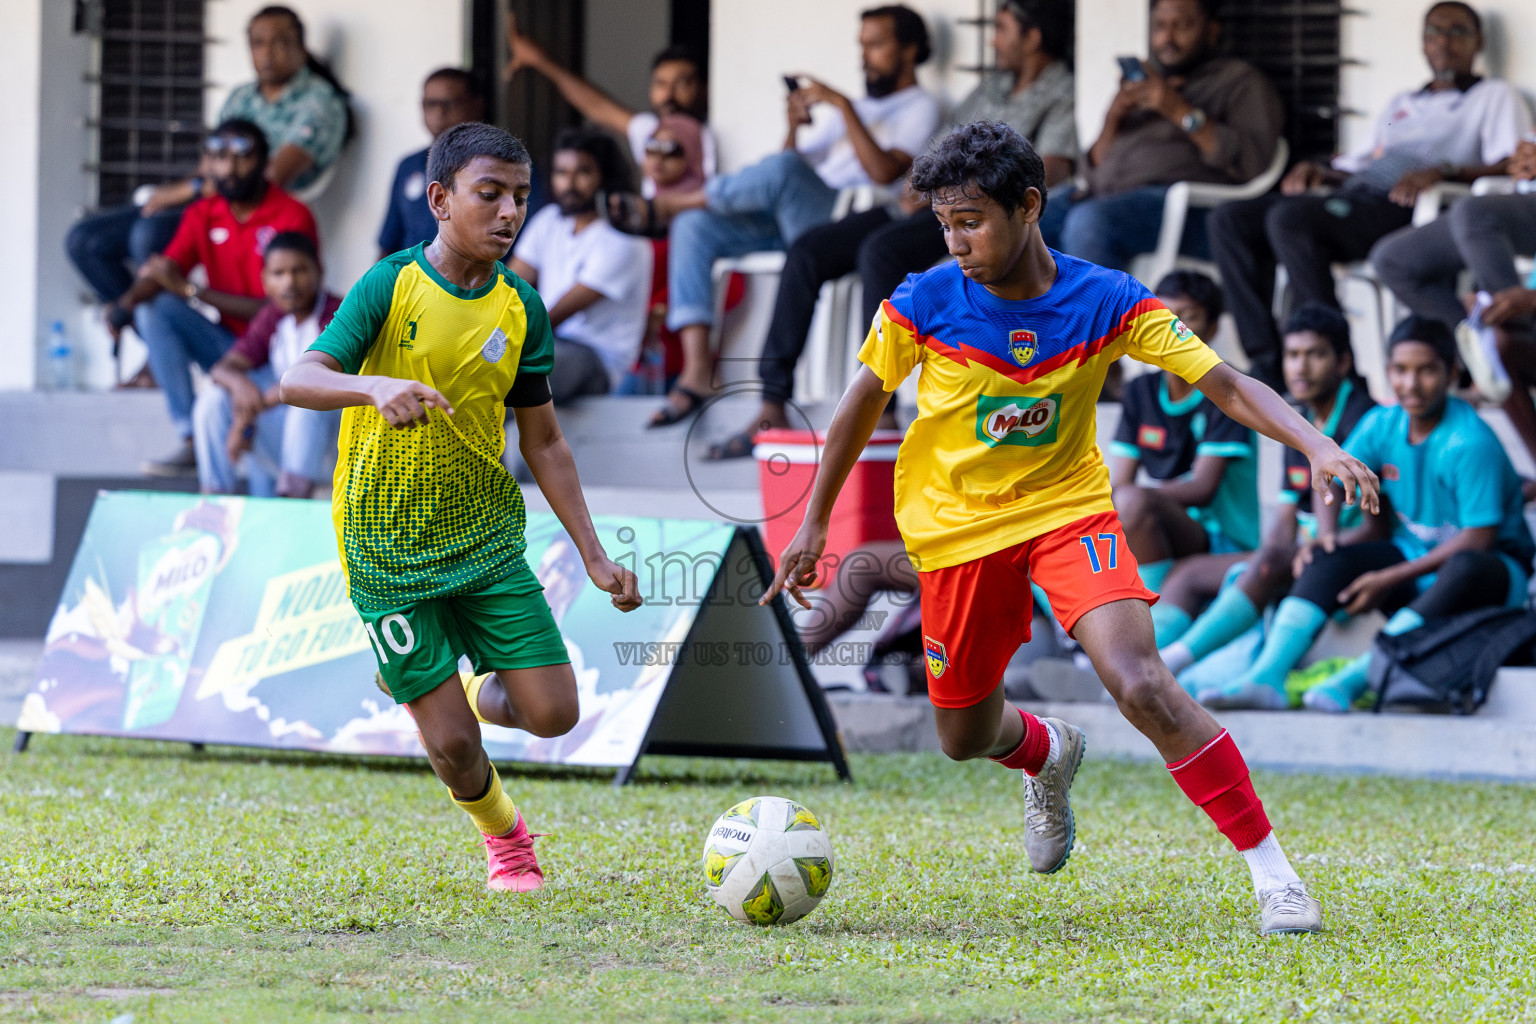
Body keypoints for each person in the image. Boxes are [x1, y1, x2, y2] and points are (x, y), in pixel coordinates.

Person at [762, 121, 1380, 935]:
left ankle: (1275, 874)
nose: (955, 242)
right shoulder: (922, 300)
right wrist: (811, 525)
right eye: (944, 224)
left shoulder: (1109, 298)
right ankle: (1044, 753)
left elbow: (1222, 382)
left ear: (1030, 206)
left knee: (1141, 682)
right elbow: (857, 406)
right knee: (963, 734)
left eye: (971, 221)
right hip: (955, 535)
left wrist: (1316, 441)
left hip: (1067, 514)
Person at [279, 122, 642, 893]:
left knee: (553, 715)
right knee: (451, 747)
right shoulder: (392, 283)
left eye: (520, 197)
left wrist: (594, 554)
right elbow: (298, 380)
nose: (509, 213)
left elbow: (544, 442)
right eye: (491, 195)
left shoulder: (523, 308)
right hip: (384, 547)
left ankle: (464, 680)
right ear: (440, 199)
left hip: (483, 540)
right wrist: (371, 386)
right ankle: (509, 843)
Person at [705, 0, 1079, 460]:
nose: (993, 40)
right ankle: (771, 401)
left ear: (1033, 37)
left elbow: (1055, 167)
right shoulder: (992, 88)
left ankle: (879, 405)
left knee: (880, 253)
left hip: (979, 211)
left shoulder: (1063, 90)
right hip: (928, 202)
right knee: (807, 250)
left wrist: (969, 179)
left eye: (1001, 30)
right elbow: (942, 144)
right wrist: (923, 181)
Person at [623, 4, 942, 427]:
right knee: (694, 226)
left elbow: (886, 172)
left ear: (909, 49)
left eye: (876, 44)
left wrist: (845, 108)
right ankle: (697, 370)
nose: (864, 56)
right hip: (795, 219)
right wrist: (794, 126)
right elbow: (784, 169)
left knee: (778, 173)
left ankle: (672, 202)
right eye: (861, 45)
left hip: (847, 216)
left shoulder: (921, 106)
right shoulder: (854, 108)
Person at [1199, 316, 1534, 713]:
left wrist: (1389, 577)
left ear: (1452, 373)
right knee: (1326, 554)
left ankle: (1356, 679)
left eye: (1426, 370)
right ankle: (1266, 677)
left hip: (1490, 577)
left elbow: (1479, 539)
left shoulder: (1469, 441)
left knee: (1466, 565)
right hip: (1412, 560)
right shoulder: (1382, 424)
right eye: (1400, 370)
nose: (1410, 384)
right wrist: (1324, 536)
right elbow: (1335, 477)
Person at [1209, 1, 1530, 390]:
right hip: (1355, 195)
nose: (1443, 41)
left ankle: (1333, 361)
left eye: (1457, 31)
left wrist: (1445, 171)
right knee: (1229, 219)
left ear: (1478, 42)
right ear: (1422, 44)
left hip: (1406, 206)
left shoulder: (1492, 95)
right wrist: (1321, 169)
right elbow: (1359, 161)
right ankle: (1267, 362)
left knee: (1289, 221)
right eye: (1433, 32)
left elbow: (1512, 164)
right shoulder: (1403, 103)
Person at [67, 4, 348, 352]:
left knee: (147, 235)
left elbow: (269, 174)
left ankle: (156, 357)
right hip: (210, 206)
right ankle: (152, 343)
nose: (267, 52)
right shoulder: (242, 96)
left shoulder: (320, 102)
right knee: (85, 240)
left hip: (258, 208)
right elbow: (209, 164)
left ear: (301, 48)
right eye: (257, 43)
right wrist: (174, 191)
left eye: (279, 42)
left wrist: (190, 190)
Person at [1159, 304, 1376, 676]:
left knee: (1269, 563)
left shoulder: (1366, 419)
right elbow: (1286, 513)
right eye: (1293, 355)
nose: (1300, 367)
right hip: (1304, 550)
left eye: (1315, 354)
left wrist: (1300, 549)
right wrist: (1274, 551)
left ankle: (1170, 665)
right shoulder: (1299, 423)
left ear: (1343, 362)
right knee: (1189, 573)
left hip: (1349, 552)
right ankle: (1141, 659)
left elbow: (1381, 522)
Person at [111, 120, 319, 476]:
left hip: (280, 355)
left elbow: (281, 307)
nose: (228, 169)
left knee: (264, 469)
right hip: (228, 352)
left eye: (241, 157)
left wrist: (191, 291)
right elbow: (166, 273)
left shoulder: (291, 214)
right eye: (218, 158)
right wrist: (124, 303)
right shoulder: (203, 212)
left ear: (263, 161)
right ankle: (189, 438)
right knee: (153, 308)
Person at [1037, 0, 1280, 274]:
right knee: (1023, 223)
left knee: (1090, 223)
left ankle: (1100, 318)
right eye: (1160, 26)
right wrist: (1114, 116)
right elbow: (1092, 170)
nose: (1168, 38)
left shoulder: (1239, 82)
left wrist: (1174, 106)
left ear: (1211, 31)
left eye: (1182, 25)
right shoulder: (1148, 83)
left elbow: (1252, 163)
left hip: (1186, 211)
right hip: (1104, 197)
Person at [1109, 271, 1258, 646]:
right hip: (1160, 529)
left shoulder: (1226, 391)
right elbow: (1119, 480)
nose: (1172, 327)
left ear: (1211, 326)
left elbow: (1202, 488)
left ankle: (1142, 630)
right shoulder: (1141, 391)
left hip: (1219, 539)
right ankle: (1079, 640)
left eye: (1187, 316)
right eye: (1162, 314)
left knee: (1130, 503)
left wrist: (1135, 498)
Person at [192, 232, 341, 498]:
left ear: (319, 271)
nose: (289, 282)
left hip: (335, 444)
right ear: (265, 280)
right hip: (287, 440)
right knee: (214, 400)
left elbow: (309, 378)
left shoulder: (338, 312)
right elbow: (222, 369)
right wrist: (240, 386)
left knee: (309, 399)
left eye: (299, 271)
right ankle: (215, 500)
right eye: (278, 273)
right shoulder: (273, 316)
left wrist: (244, 418)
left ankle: (292, 500)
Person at [509, 128, 653, 403]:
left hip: (596, 358)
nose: (569, 183)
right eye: (561, 172)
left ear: (606, 177)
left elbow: (554, 316)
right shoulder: (549, 220)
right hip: (551, 342)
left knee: (506, 374)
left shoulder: (624, 237)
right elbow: (509, 287)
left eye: (583, 172)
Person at [505, 17, 716, 192]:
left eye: (682, 83)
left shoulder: (713, 133)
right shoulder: (649, 129)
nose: (668, 95)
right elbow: (596, 106)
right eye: (661, 84)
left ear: (706, 89)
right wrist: (539, 59)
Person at [378, 68, 486, 259]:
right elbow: (390, 243)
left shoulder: (503, 167)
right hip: (413, 286)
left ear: (477, 105)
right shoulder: (408, 166)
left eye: (450, 103)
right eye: (431, 104)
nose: (439, 112)